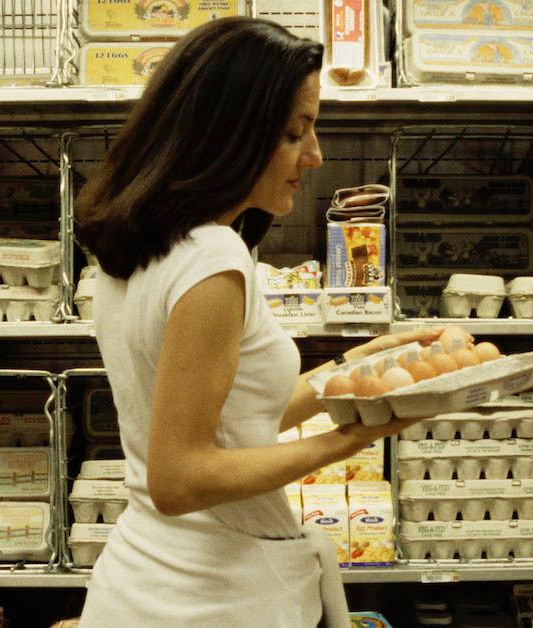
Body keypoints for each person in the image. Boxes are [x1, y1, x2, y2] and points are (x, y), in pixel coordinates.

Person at [74, 17, 438, 627]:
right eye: (296, 133)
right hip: (211, 596)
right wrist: (355, 436)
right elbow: (180, 478)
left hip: (148, 580)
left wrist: (355, 370)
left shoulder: (136, 250)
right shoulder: (214, 258)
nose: (315, 155)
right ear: (231, 134)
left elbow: (235, 416)